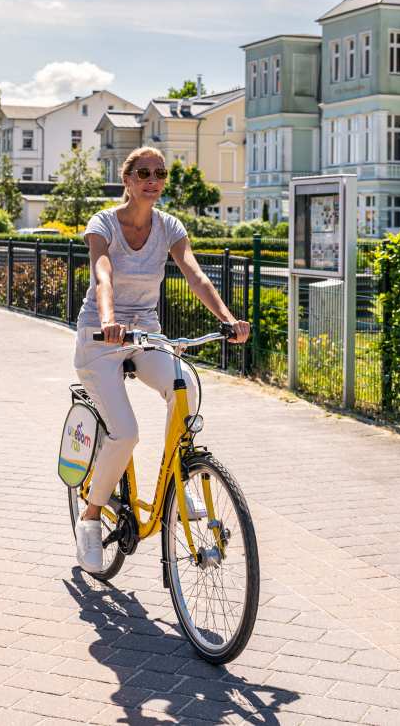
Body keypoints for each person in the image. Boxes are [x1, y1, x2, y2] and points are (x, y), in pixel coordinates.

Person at [72, 146, 249, 574]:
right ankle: (91, 517)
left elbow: (195, 274)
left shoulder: (169, 226)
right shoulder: (103, 223)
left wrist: (227, 320)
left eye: (160, 173)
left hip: (146, 332)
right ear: (127, 180)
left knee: (182, 383)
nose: (153, 180)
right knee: (125, 434)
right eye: (144, 173)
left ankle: (175, 478)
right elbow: (102, 273)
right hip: (101, 335)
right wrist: (109, 320)